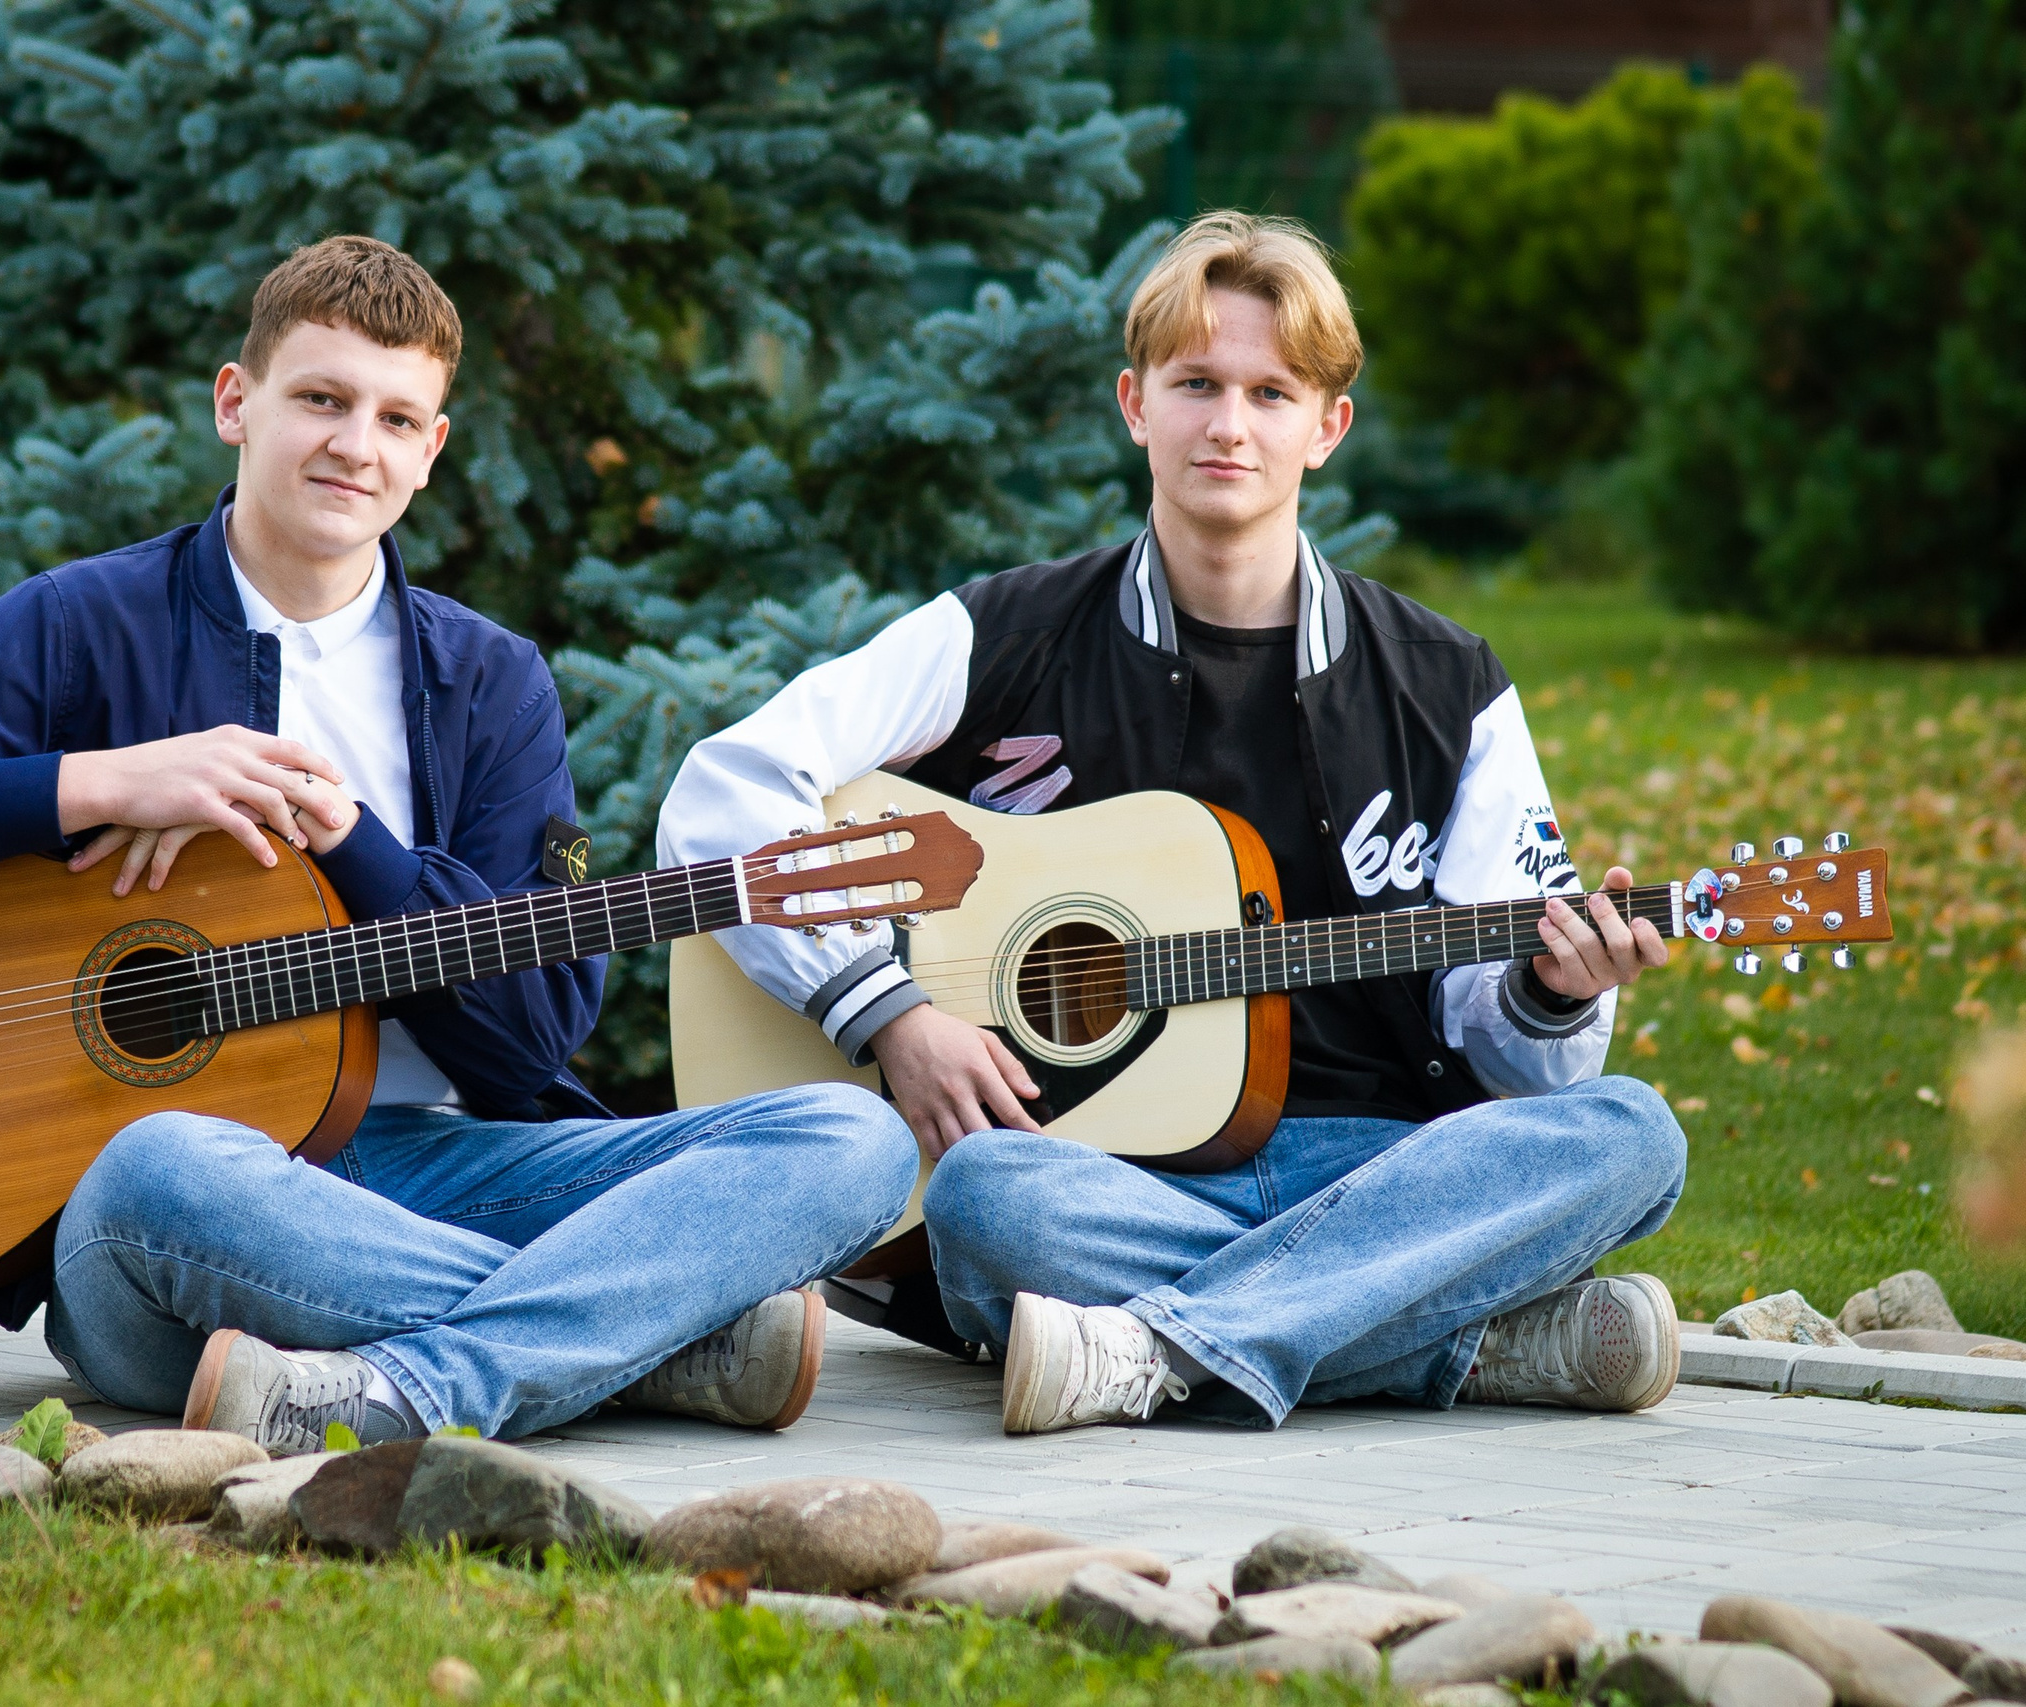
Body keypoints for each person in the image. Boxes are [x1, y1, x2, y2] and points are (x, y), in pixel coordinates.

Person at [0, 236, 916, 1449]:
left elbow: (526, 1047)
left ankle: (419, 1387)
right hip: (180, 1223)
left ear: (431, 452)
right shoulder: (84, 625)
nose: (358, 444)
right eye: (322, 399)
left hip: (436, 1175)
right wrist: (94, 781)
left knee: (850, 1135)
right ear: (236, 404)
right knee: (161, 1160)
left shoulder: (490, 685)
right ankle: (654, 1340)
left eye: (400, 418)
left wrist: (356, 845)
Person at [658, 211, 1687, 1436]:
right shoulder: (1008, 633)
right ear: (1135, 404)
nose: (1229, 425)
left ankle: (1154, 1352)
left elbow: (1516, 1060)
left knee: (1630, 1133)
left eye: (1269, 391)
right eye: (1195, 384)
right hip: (1098, 1177)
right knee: (982, 1195)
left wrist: (1552, 997)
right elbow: (723, 790)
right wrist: (887, 1009)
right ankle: (1447, 1338)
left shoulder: (1443, 682)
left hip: (1369, 1164)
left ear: (1327, 427)